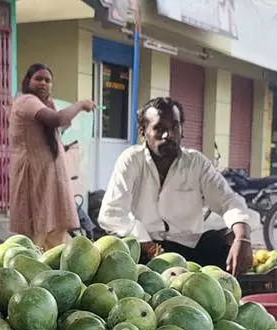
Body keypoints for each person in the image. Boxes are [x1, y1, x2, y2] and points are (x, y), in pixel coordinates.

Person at [98, 97, 252, 273]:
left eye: (175, 127)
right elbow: (111, 213)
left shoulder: (196, 163)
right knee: (117, 251)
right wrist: (148, 246)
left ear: (182, 131)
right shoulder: (132, 160)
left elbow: (228, 201)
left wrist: (243, 238)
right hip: (144, 249)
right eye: (159, 129)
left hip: (189, 249)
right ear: (143, 132)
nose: (168, 135)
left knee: (230, 237)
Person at [9, 64, 94, 250]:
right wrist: (80, 104)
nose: (44, 83)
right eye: (38, 79)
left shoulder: (42, 105)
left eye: (48, 80)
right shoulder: (26, 101)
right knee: (36, 233)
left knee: (56, 232)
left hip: (50, 179)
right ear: (28, 81)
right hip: (35, 178)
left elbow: (54, 130)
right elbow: (58, 120)